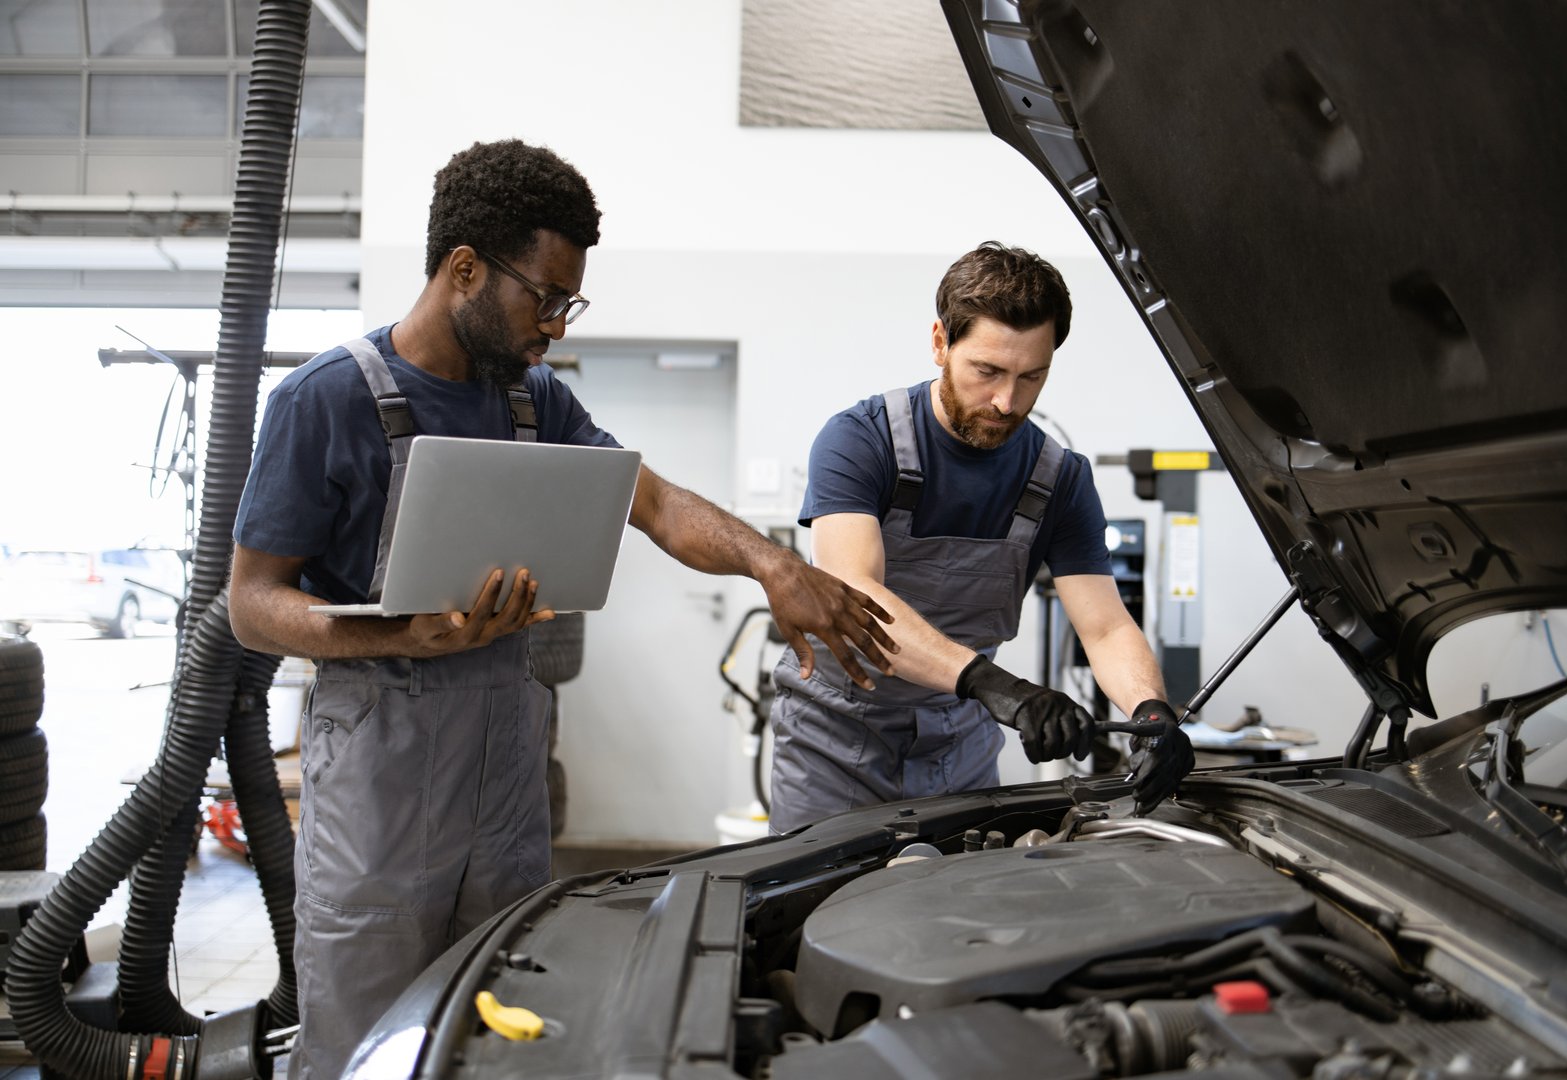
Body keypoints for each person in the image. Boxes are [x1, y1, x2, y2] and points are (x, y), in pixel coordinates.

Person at [227, 139, 895, 1078]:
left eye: (567, 302)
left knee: (504, 1017)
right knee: (363, 1027)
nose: (556, 325)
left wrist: (771, 565)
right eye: (543, 297)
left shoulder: (536, 402)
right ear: (463, 268)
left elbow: (653, 503)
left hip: (507, 766)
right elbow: (250, 606)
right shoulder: (324, 400)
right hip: (381, 767)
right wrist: (388, 632)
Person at [768, 241, 1194, 833]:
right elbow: (855, 596)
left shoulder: (1059, 479)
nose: (1006, 401)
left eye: (1031, 377)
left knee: (954, 914)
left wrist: (1151, 713)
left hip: (958, 748)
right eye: (987, 371)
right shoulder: (860, 441)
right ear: (941, 342)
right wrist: (1003, 689)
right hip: (836, 743)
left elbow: (1104, 626)